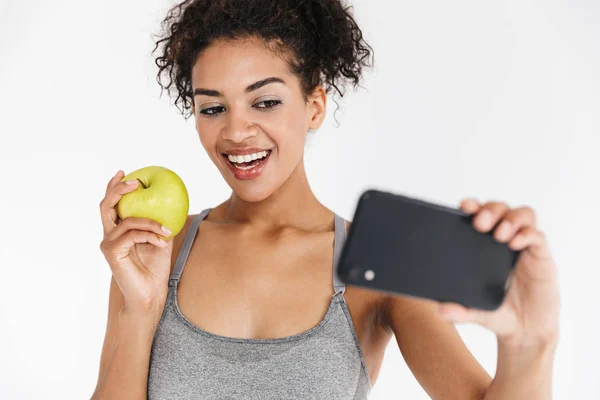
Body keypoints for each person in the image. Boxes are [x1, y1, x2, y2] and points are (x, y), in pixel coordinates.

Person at [91, 0, 560, 399]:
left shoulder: (373, 263)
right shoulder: (157, 249)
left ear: (314, 106)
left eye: (265, 101)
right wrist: (142, 307)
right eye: (213, 108)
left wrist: (532, 343)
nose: (235, 131)